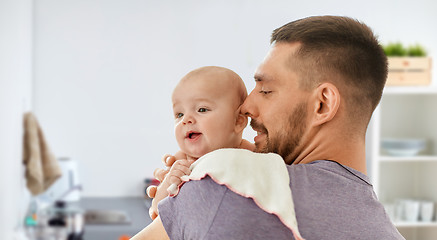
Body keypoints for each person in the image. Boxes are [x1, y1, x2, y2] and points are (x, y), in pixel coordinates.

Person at [133, 16, 405, 239]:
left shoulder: (229, 179)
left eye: (265, 90)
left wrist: (187, 193)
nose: (245, 107)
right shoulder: (386, 233)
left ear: (322, 104)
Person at [146, 66, 255, 221]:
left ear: (238, 121)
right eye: (179, 114)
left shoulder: (251, 153)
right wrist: (171, 180)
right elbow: (157, 210)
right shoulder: (183, 161)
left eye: (202, 109)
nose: (186, 119)